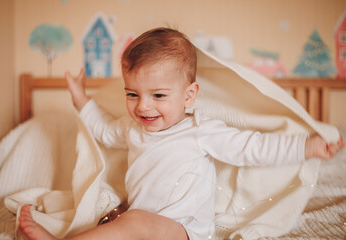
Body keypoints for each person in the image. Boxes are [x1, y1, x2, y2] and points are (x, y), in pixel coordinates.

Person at [18, 27, 344, 240]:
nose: (143, 107)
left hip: (184, 229)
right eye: (132, 94)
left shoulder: (200, 131)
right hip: (145, 223)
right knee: (115, 219)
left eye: (158, 95)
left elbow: (253, 147)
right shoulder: (133, 129)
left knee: (133, 224)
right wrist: (81, 98)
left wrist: (308, 147)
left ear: (189, 96)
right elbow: (102, 130)